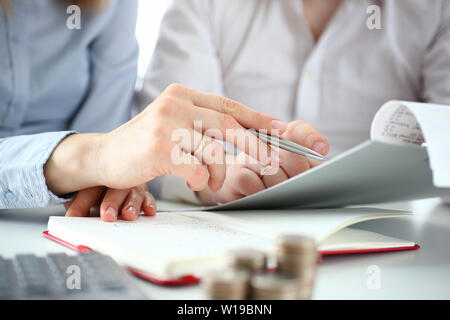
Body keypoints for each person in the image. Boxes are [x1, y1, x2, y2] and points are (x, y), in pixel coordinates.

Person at [0, 0, 328, 220]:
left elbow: (109, 151)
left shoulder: (112, 7)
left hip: (63, 227)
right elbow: (104, 150)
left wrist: (218, 174)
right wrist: (92, 158)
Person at [139, 0, 450, 205]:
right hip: (227, 230)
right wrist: (214, 179)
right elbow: (159, 141)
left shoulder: (434, 10)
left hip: (400, 239)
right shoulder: (205, 6)